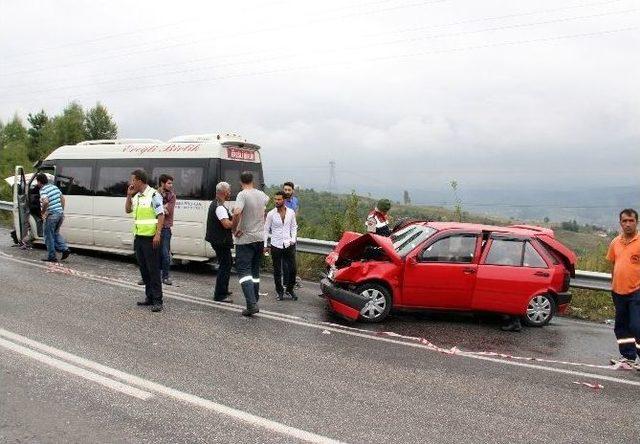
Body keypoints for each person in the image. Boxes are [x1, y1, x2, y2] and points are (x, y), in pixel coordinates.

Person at [125, 169, 165, 313]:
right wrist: (129, 196)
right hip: (139, 237)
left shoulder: (153, 195)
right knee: (144, 270)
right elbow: (128, 210)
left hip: (151, 238)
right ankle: (149, 297)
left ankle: (157, 300)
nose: (131, 183)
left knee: (153, 270)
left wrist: (158, 234)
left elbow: (161, 215)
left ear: (140, 181)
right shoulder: (137, 196)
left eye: (133, 180)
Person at [232, 171, 269, 317]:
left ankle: (251, 304)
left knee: (244, 272)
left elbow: (236, 213)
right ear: (252, 180)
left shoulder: (242, 194)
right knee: (254, 272)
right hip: (259, 238)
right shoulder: (261, 195)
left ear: (240, 182)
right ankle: (254, 300)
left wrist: (235, 229)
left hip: (245, 239)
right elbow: (265, 206)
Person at [607, 208, 640, 368]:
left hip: (636, 292)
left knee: (636, 325)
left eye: (631, 220)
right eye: (624, 221)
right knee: (621, 326)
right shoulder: (615, 242)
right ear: (620, 223)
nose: (627, 224)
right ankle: (628, 357)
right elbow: (614, 265)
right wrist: (613, 285)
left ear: (636, 222)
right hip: (618, 291)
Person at [264, 191, 298, 300]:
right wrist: (265, 245)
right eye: (275, 199)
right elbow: (265, 230)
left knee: (293, 269)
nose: (277, 201)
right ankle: (279, 291)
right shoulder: (271, 214)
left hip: (288, 244)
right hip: (275, 245)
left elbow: (294, 227)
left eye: (279, 199)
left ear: (283, 200)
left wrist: (293, 239)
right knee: (277, 270)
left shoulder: (291, 212)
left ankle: (289, 289)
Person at [205, 182, 234, 303]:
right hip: (220, 241)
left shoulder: (217, 204)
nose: (230, 193)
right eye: (229, 191)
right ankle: (220, 294)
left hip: (217, 240)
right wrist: (236, 219)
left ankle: (224, 289)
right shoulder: (219, 207)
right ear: (224, 192)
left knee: (227, 263)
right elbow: (227, 224)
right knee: (225, 265)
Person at [36, 173, 71, 262]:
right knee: (55, 233)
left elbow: (46, 202)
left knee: (48, 236)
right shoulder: (54, 187)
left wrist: (42, 213)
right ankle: (65, 249)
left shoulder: (43, 190)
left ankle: (52, 257)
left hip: (51, 216)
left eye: (37, 182)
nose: (37, 184)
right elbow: (62, 198)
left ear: (39, 182)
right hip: (60, 214)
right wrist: (61, 211)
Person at [158, 174, 176, 285]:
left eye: (171, 183)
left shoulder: (172, 196)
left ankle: (165, 276)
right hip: (154, 227)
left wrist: (162, 207)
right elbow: (155, 209)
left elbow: (167, 212)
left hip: (165, 228)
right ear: (162, 183)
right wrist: (162, 207)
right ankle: (149, 276)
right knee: (153, 254)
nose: (171, 185)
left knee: (165, 253)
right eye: (169, 183)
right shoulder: (155, 194)